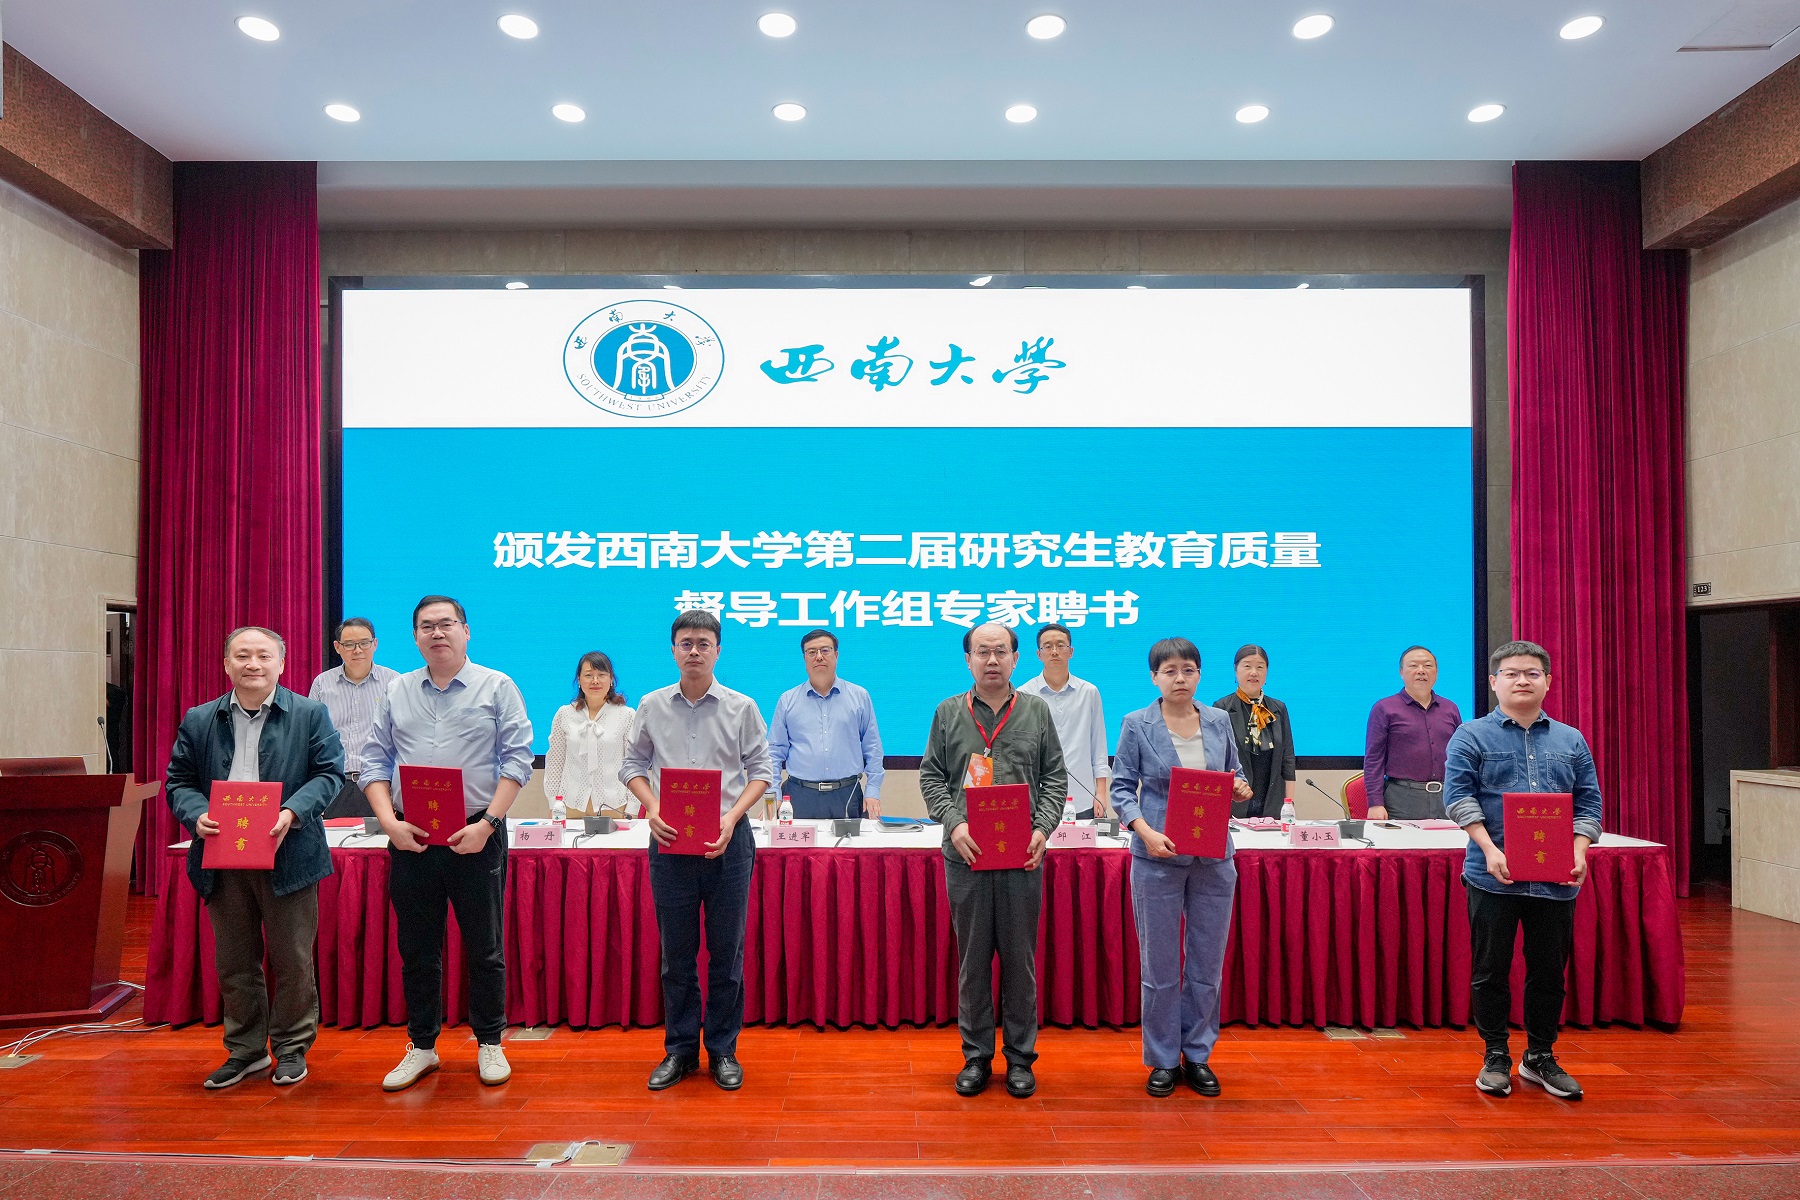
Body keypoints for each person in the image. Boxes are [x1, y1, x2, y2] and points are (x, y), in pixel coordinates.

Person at [361, 596, 534, 1093]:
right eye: (427, 626)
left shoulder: (496, 686)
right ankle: (422, 1045)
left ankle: (490, 1041)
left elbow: (517, 759)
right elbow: (374, 760)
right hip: (410, 834)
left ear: (466, 630)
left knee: (485, 947)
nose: (437, 633)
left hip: (476, 831)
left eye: (447, 624)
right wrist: (389, 822)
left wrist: (488, 823)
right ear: (415, 636)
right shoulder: (397, 690)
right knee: (417, 947)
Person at [164, 626, 344, 1089]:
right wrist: (196, 814)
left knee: (292, 960)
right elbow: (178, 781)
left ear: (281, 664)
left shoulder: (309, 713)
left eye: (264, 656)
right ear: (226, 664)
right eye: (242, 655)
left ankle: (290, 1048)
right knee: (235, 962)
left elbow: (329, 774)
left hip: (290, 853)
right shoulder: (200, 719)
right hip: (222, 855)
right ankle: (245, 1051)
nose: (253, 664)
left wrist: (292, 812)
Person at [621, 610, 773, 1092]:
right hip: (670, 840)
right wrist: (652, 807)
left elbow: (762, 771)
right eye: (685, 643)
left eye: (703, 643)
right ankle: (681, 1050)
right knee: (677, 955)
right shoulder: (651, 704)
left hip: (729, 841)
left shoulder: (742, 707)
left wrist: (732, 817)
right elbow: (632, 764)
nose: (694, 651)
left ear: (717, 651)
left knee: (727, 952)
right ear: (673, 651)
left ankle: (723, 1050)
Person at [1445, 639, 1602, 1101]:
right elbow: (1458, 798)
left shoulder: (1571, 739)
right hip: (1492, 874)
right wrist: (1489, 849)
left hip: (1556, 878)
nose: (1522, 681)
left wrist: (1580, 849)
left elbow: (1589, 803)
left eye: (1532, 673)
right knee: (1490, 970)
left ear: (1548, 682)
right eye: (1511, 673)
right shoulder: (1471, 736)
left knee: (1549, 972)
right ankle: (1495, 1055)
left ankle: (1540, 1056)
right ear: (1494, 682)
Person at [918, 622, 1067, 1099]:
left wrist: (1043, 828)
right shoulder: (948, 712)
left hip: (1022, 858)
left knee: (1020, 962)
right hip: (966, 856)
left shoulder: (1036, 711)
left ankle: (1021, 1059)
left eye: (1000, 651)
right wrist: (954, 824)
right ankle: (977, 1057)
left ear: (1016, 659)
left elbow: (1055, 777)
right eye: (982, 652)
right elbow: (930, 778)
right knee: (974, 961)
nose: (992, 660)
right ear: (968, 660)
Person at [1113, 638, 1253, 1098]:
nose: (1180, 678)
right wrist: (1144, 832)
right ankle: (1161, 1059)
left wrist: (1240, 787)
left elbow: (1232, 772)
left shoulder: (1218, 720)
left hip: (1213, 857)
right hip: (1157, 856)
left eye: (1188, 670)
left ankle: (1197, 1055)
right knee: (1159, 966)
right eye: (1170, 671)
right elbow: (1121, 789)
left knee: (1207, 963)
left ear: (1199, 675)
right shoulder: (1136, 724)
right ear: (1154, 677)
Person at [768, 629, 885, 820]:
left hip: (847, 794)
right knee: (797, 842)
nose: (819, 657)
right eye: (812, 652)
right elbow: (774, 752)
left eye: (825, 650)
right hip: (799, 794)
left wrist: (873, 789)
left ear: (836, 655)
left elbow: (872, 747)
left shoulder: (859, 696)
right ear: (804, 658)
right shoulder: (787, 700)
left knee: (852, 841)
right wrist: (774, 794)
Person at [1016, 622, 1110, 819]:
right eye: (1047, 646)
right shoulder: (1024, 694)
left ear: (1071, 651)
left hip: (1083, 797)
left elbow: (1098, 747)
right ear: (1039, 654)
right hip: (1039, 800)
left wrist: (1101, 793)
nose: (1054, 651)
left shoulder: (1089, 692)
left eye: (1060, 645)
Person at [309, 617, 399, 819]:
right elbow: (311, 738)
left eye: (364, 643)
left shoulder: (394, 682)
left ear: (375, 644)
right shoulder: (322, 683)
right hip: (334, 784)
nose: (357, 650)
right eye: (349, 644)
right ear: (337, 647)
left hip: (381, 786)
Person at [1364, 645, 1464, 820]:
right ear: (1401, 672)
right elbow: (1374, 759)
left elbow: (1461, 756)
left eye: (1428, 665)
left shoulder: (1451, 708)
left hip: (1447, 797)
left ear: (1436, 672)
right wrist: (1375, 803)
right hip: (1402, 798)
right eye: (1413, 666)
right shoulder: (1384, 708)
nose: (1421, 671)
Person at [543, 651, 635, 817]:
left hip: (615, 806)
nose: (595, 680)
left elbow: (633, 765)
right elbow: (555, 763)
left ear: (611, 679)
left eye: (601, 675)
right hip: (569, 806)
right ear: (579, 680)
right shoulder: (564, 714)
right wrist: (553, 804)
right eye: (588, 675)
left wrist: (633, 808)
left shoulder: (626, 715)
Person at [1212, 644, 1295, 819]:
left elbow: (1287, 760)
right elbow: (1217, 762)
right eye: (1247, 666)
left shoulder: (1278, 708)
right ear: (1236, 671)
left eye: (1260, 667)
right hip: (1235, 803)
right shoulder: (1222, 708)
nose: (1254, 672)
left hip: (1272, 802)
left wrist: (1289, 806)